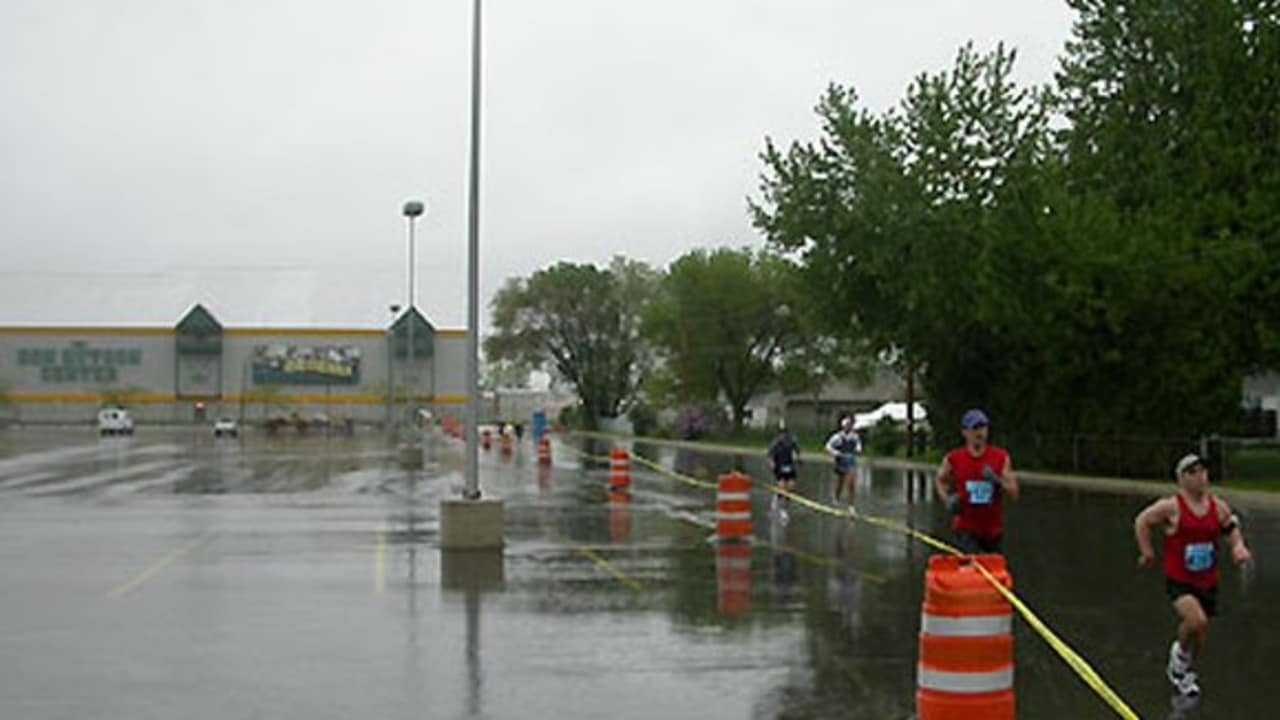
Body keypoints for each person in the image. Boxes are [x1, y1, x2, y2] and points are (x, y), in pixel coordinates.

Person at [1134, 453, 1252, 698]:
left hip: (1207, 581)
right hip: (1180, 580)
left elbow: (1230, 527)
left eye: (1203, 471)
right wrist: (1147, 551)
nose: (1201, 477)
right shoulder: (1172, 507)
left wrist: (1238, 547)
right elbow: (1142, 521)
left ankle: (1184, 668)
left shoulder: (1217, 506)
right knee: (1197, 621)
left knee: (1200, 636)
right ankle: (1178, 661)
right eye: (1193, 472)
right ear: (1182, 479)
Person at [934, 408, 1019, 554]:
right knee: (970, 567)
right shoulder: (954, 458)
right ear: (965, 432)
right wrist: (947, 499)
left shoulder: (1000, 457)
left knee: (991, 571)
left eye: (983, 427)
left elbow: (1014, 494)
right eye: (974, 429)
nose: (979, 433)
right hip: (965, 530)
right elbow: (940, 480)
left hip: (992, 530)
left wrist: (997, 481)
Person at [766, 420, 801, 521]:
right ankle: (780, 508)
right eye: (781, 433)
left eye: (785, 433)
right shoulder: (775, 443)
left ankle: (785, 505)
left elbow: (797, 451)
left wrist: (798, 459)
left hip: (790, 467)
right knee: (782, 487)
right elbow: (769, 455)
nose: (783, 435)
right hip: (779, 467)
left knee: (790, 487)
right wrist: (772, 464)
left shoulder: (791, 442)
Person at [825, 415, 861, 506]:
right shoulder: (837, 437)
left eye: (851, 425)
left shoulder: (855, 437)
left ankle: (851, 505)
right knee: (840, 483)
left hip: (851, 461)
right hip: (840, 461)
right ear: (844, 426)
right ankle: (836, 499)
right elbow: (828, 446)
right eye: (848, 425)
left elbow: (858, 446)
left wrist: (858, 449)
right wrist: (835, 453)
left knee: (851, 483)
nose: (849, 427)